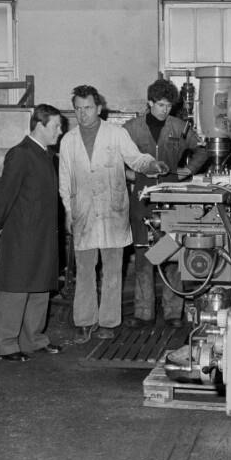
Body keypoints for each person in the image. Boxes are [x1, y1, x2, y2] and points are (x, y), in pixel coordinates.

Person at [58, 85, 168, 344]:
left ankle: (108, 322)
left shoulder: (116, 134)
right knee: (85, 271)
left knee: (112, 271)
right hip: (83, 213)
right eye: (78, 109)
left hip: (112, 211)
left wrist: (151, 164)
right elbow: (64, 180)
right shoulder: (68, 140)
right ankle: (85, 322)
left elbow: (135, 159)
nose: (83, 114)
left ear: (99, 108)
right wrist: (68, 211)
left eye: (88, 108)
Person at [123, 79, 208, 328]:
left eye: (169, 106)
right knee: (144, 255)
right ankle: (144, 313)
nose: (165, 110)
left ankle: (173, 313)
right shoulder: (131, 129)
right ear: (149, 102)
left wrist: (188, 170)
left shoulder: (179, 127)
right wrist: (130, 175)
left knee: (172, 253)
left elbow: (202, 150)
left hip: (172, 197)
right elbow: (114, 155)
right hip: (143, 198)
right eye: (161, 105)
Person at [0, 104, 65, 361]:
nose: (60, 131)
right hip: (22, 234)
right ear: (40, 125)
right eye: (56, 126)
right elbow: (4, 195)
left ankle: (33, 340)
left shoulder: (46, 155)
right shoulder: (21, 153)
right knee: (16, 288)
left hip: (44, 234)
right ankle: (6, 345)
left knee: (40, 287)